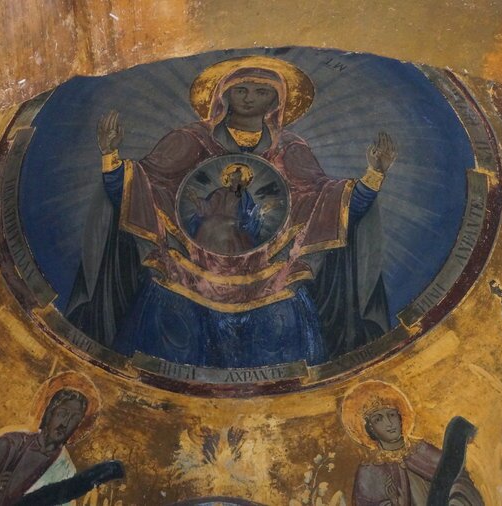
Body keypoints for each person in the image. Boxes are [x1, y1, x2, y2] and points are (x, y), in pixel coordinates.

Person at [66, 56, 394, 368]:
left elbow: (329, 203)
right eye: (241, 90)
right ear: (224, 95)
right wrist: (110, 157)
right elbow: (140, 189)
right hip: (186, 273)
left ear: (275, 102)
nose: (249, 99)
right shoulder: (189, 140)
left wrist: (373, 176)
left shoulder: (290, 150)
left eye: (261, 92)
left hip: (270, 280)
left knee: (284, 334)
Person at [0, 389, 119, 506]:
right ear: (49, 413)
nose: (65, 424)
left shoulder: (65, 469)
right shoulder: (10, 444)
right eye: (62, 414)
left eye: (74, 419)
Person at [341, 381, 483, 506]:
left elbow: (458, 480)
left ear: (400, 417)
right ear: (370, 429)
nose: (389, 423)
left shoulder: (421, 450)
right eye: (378, 419)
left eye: (391, 415)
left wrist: (455, 502)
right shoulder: (369, 471)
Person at [185, 163, 264, 254]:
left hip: (232, 227)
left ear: (244, 181)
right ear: (229, 178)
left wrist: (260, 212)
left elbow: (249, 214)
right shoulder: (220, 192)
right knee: (207, 232)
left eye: (239, 178)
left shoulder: (245, 197)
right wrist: (195, 200)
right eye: (233, 177)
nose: (236, 181)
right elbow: (209, 208)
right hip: (213, 225)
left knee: (232, 244)